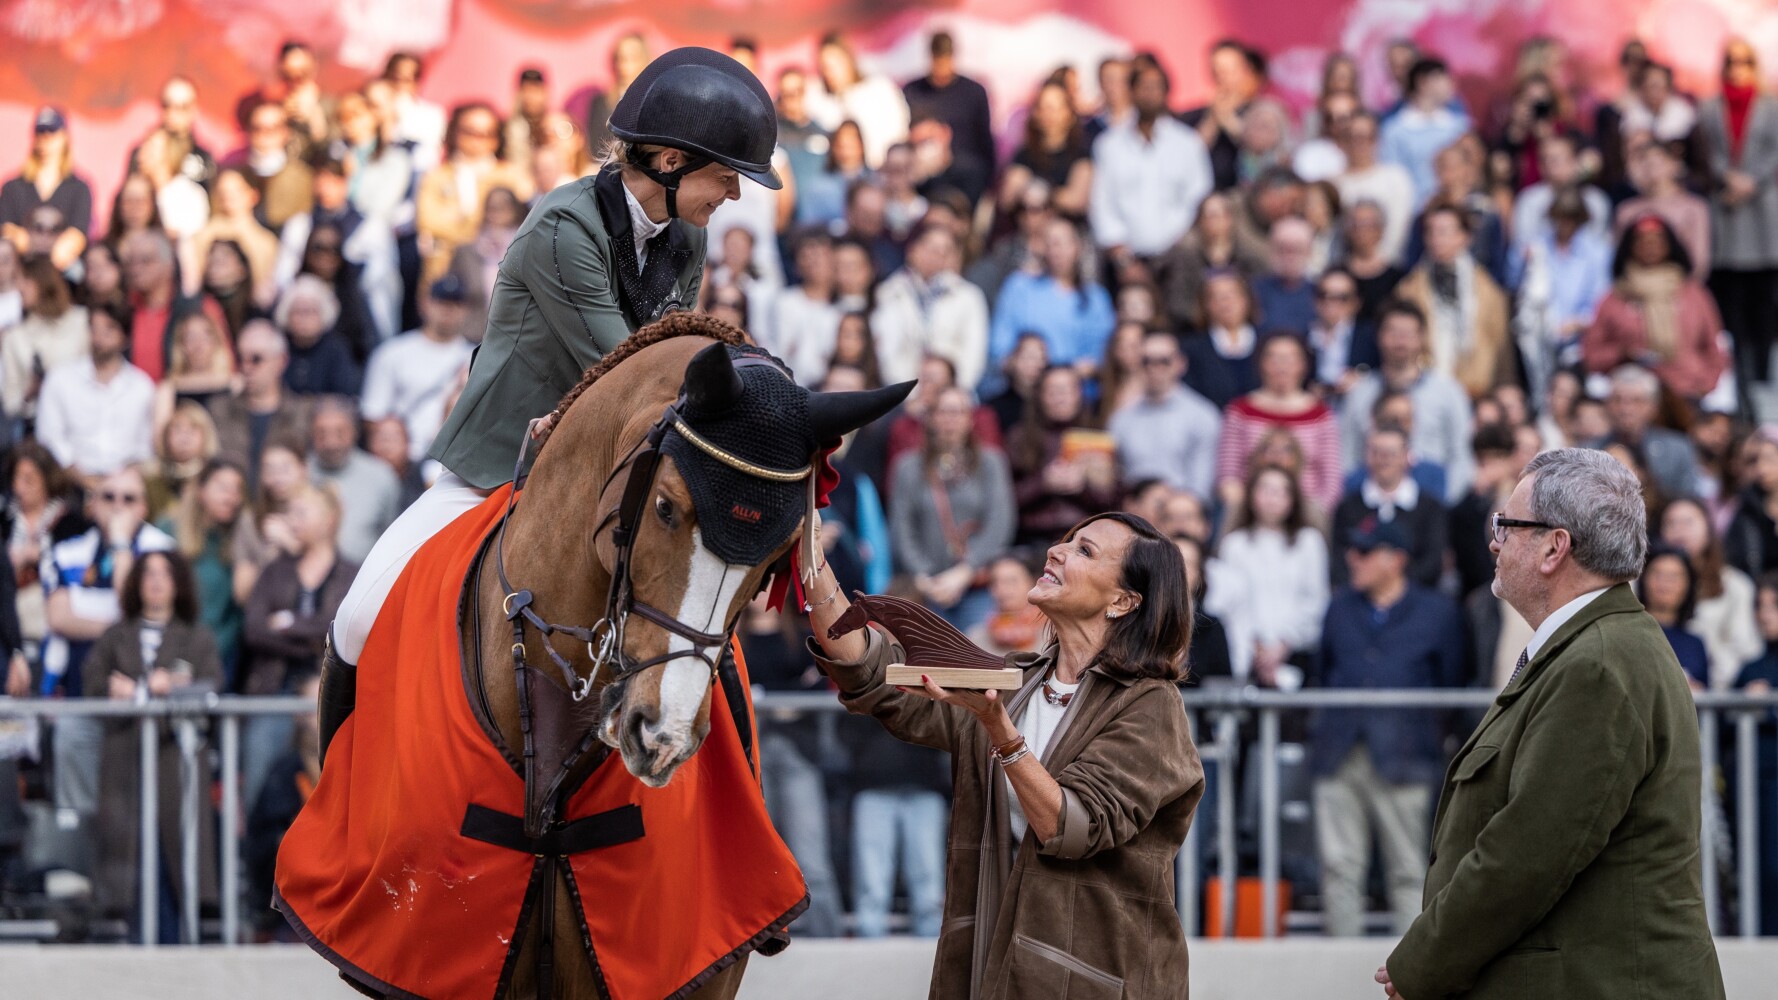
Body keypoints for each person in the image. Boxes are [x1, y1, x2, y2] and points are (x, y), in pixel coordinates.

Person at [331, 48, 784, 705]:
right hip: (498, 463)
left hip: (603, 470)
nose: (735, 194)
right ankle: (345, 782)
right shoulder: (562, 227)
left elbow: (667, 358)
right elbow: (626, 369)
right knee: (354, 623)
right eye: (725, 175)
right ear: (668, 162)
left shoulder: (688, 233)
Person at [804, 509, 1201, 997]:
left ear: (1122, 600)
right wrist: (813, 563)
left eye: (1085, 551)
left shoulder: (1150, 704)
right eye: (1067, 539)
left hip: (1097, 981)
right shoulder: (1012, 680)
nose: (1056, 549)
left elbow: (1071, 827)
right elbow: (876, 677)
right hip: (991, 970)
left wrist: (1001, 732)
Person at [1380, 448, 1725, 1000]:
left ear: (1553, 547)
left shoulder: (1598, 663)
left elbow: (1528, 854)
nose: (1494, 541)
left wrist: (1422, 963)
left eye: (1506, 525)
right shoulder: (1591, 649)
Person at [1314, 519, 1463, 937]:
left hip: (1406, 755)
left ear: (1395, 560)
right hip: (1339, 751)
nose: (1352, 559)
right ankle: (1338, 977)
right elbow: (1324, 670)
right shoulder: (1340, 605)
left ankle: (1409, 981)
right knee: (1339, 867)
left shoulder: (1437, 611)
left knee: (1408, 870)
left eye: (1364, 552)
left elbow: (1452, 678)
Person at [83, 550, 221, 941]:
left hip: (174, 763)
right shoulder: (116, 636)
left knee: (176, 856)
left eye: (165, 574)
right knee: (127, 859)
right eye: (148, 574)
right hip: (125, 761)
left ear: (179, 583)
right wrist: (153, 690)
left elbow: (209, 688)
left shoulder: (196, 637)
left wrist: (147, 691)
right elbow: (94, 686)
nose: (156, 582)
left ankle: (178, 939)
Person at [241, 484, 356, 808]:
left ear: (329, 519)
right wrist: (309, 643)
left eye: (301, 512)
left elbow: (340, 625)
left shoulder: (351, 572)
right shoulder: (275, 571)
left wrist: (288, 622)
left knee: (334, 789)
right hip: (273, 692)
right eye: (290, 512)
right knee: (259, 780)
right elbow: (254, 629)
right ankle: (256, 856)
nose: (292, 520)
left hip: (329, 695)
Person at [890, 385, 1016, 631]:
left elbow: (1000, 522)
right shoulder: (907, 467)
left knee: (977, 660)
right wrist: (924, 576)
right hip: (926, 588)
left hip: (977, 585)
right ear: (931, 418)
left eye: (958, 412)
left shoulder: (991, 463)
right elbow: (901, 527)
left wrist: (966, 571)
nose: (950, 419)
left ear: (970, 419)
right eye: (944, 411)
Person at [1204, 464, 1329, 686]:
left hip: (1298, 653)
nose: (1272, 498)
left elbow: (1315, 600)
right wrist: (1257, 646)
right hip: (1246, 655)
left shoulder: (1309, 542)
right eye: (1265, 489)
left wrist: (1283, 644)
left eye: (1281, 491)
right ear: (1251, 495)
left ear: (1293, 499)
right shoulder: (1234, 544)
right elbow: (1230, 601)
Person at [1699, 38, 1778, 389]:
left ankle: (1761, 380)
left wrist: (1752, 180)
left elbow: (1774, 151)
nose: (1737, 68)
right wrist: (1727, 176)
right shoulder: (1708, 108)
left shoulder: (1770, 107)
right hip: (1726, 209)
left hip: (1761, 211)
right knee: (1731, 303)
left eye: (1744, 61)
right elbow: (1705, 151)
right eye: (1731, 61)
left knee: (1764, 303)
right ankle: (1737, 381)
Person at [1582, 215, 1727, 403]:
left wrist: (1706, 384)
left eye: (1657, 242)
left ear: (1670, 246)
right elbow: (1592, 355)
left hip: (1687, 392)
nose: (1650, 247)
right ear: (1630, 248)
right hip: (1632, 399)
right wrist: (1623, 354)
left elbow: (1714, 347)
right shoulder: (1614, 298)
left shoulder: (1694, 294)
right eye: (1642, 242)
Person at [1090, 58, 1214, 270]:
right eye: (1143, 87)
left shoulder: (1187, 143)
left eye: (1156, 87)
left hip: (1178, 254)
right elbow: (1102, 201)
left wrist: (1179, 241)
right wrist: (1120, 253)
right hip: (1123, 259)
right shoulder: (1109, 144)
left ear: (1166, 92)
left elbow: (1198, 195)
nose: (1149, 94)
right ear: (1131, 91)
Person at [1396, 204, 1513, 399]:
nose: (1436, 240)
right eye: (1430, 232)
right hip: (1425, 392)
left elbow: (1502, 350)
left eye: (1443, 232)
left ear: (1464, 237)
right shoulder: (1408, 290)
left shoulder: (1489, 292)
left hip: (1476, 391)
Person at [1216, 333, 1342, 514]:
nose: (1281, 366)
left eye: (1290, 359)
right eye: (1273, 358)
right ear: (1261, 363)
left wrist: (1307, 513)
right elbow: (1228, 475)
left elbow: (1331, 481)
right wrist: (1251, 510)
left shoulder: (1321, 414)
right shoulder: (1239, 411)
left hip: (1307, 513)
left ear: (1303, 365)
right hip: (1249, 513)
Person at [359, 274, 476, 464]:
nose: (448, 309)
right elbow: (373, 416)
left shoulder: (477, 359)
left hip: (453, 461)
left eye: (455, 303)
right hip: (402, 460)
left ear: (466, 310)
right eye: (441, 302)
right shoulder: (392, 353)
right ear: (424, 304)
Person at [36, 301, 155, 483]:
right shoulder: (61, 379)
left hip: (126, 485)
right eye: (94, 329)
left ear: (125, 337)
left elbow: (144, 447)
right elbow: (50, 438)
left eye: (109, 330)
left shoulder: (141, 386)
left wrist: (117, 482)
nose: (99, 338)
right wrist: (84, 479)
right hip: (69, 483)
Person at [415, 103, 533, 284]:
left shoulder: (511, 176)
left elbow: (521, 221)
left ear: (496, 138)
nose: (477, 139)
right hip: (446, 274)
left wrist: (458, 222)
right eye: (470, 131)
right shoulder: (436, 176)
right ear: (455, 132)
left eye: (486, 133)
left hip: (496, 273)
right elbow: (429, 221)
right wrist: (481, 226)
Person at [988, 218, 1116, 380]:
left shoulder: (1095, 298)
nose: (1056, 251)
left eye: (1062, 243)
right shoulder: (1019, 286)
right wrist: (1018, 364)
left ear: (1078, 247)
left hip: (1077, 390)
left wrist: (1065, 375)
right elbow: (1000, 345)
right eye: (1050, 244)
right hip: (1022, 384)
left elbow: (1100, 354)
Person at [158, 458, 249, 686]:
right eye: (222, 487)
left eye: (237, 490)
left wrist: (211, 648)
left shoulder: (242, 537)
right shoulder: (168, 530)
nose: (231, 497)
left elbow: (238, 613)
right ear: (201, 489)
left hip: (219, 653)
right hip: (167, 648)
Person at [1008, 366, 1118, 546]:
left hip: (1085, 539)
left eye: (1067, 391)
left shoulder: (1098, 436)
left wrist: (1082, 488)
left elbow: (1113, 501)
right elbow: (1005, 501)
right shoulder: (1020, 438)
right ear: (1040, 396)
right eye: (1052, 391)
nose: (1060, 398)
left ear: (1079, 395)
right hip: (1032, 538)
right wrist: (1044, 483)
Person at [1330, 424, 1449, 588]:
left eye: (1391, 453)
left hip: (1415, 600)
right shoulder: (1347, 507)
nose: (1383, 459)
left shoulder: (1430, 508)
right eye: (1376, 452)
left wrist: (1394, 591)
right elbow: (1339, 561)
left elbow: (1432, 563)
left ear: (1406, 456)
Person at [1107, 330, 1221, 499]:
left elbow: (1201, 489)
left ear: (1181, 364)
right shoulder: (1121, 419)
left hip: (1183, 516)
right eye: (1146, 361)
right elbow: (1114, 479)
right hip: (1132, 515)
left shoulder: (1203, 416)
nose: (1154, 368)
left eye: (1164, 361)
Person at [872, 224, 988, 388]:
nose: (938, 255)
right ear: (912, 250)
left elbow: (973, 354)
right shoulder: (888, 293)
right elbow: (886, 352)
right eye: (932, 248)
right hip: (899, 394)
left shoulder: (969, 297)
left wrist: (953, 391)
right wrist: (907, 394)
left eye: (945, 250)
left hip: (952, 395)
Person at [206, 320, 315, 486]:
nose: (246, 367)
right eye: (240, 359)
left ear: (281, 361)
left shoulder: (304, 411)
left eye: (256, 359)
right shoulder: (219, 409)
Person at [1158, 190, 1269, 333]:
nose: (1215, 221)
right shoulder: (1185, 258)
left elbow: (1261, 296)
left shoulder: (1250, 257)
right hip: (1195, 329)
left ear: (1230, 218)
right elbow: (1178, 300)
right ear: (1199, 221)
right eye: (1209, 216)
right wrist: (1206, 315)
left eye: (1220, 215)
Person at [308, 398, 400, 565]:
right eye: (322, 433)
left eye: (339, 433)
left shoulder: (381, 477)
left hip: (364, 578)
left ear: (354, 433)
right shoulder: (300, 472)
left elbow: (392, 535)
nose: (331, 442)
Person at [1595, 364, 1701, 501]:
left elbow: (1689, 501)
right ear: (1607, 405)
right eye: (1618, 400)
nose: (1625, 409)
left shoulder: (1678, 449)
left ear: (1653, 407)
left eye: (1636, 401)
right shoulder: (1589, 450)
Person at [1, 107, 93, 265]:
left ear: (65, 137)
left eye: (52, 133)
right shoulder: (13, 187)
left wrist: (50, 263)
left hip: (64, 273)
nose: (46, 140)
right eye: (41, 134)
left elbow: (76, 236)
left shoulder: (79, 188)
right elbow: (8, 230)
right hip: (22, 268)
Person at [1, 254, 88, 420]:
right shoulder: (14, 337)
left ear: (42, 280)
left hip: (82, 417)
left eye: (24, 280)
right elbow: (10, 403)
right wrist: (29, 394)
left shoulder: (81, 321)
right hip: (37, 424)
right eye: (16, 280)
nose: (18, 287)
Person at [902, 31, 995, 185]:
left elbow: (985, 141)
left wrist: (990, 181)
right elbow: (903, 137)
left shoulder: (974, 92)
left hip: (965, 173)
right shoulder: (912, 91)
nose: (941, 68)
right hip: (923, 173)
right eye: (937, 61)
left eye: (945, 60)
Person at [807, 32, 909, 169]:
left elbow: (899, 131)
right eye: (825, 67)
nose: (830, 72)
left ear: (849, 59)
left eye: (835, 64)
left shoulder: (879, 89)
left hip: (883, 170)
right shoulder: (818, 101)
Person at [1378, 58, 1471, 208]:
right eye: (1443, 78)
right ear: (1423, 82)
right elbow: (1392, 178)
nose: (1450, 85)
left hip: (1456, 212)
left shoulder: (1460, 126)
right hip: (1413, 213)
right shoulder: (1395, 131)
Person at [1614, 138, 1710, 278]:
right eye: (1644, 161)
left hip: (1680, 288)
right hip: (1634, 288)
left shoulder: (1694, 208)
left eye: (1658, 161)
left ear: (1673, 164)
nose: (1651, 167)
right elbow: (1619, 259)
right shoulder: (1626, 210)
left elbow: (1699, 261)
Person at [1001, 79, 1093, 220]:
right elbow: (1007, 198)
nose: (1048, 115)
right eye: (1043, 108)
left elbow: (1077, 201)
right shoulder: (1024, 153)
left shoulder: (1081, 154)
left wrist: (1040, 191)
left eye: (1054, 108)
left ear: (1069, 113)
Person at [1334, 112, 1415, 264]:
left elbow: (1398, 231)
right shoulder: (1333, 184)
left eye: (1366, 137)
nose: (1359, 144)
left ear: (1376, 141)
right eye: (1352, 137)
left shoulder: (1396, 179)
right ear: (1342, 142)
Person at [1181, 271, 1261, 408]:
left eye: (1232, 295)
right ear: (1205, 305)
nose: (1225, 303)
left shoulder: (1266, 343)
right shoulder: (1192, 349)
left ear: (1246, 300)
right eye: (1216, 297)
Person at [275, 274, 362, 397]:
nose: (304, 318)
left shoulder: (336, 350)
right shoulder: (278, 346)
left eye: (311, 311)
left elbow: (343, 395)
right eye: (298, 311)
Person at [143, 400, 220, 518]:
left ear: (206, 435)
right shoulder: (153, 480)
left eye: (192, 430)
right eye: (177, 430)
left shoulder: (215, 479)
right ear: (166, 437)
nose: (184, 438)